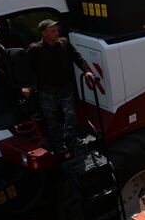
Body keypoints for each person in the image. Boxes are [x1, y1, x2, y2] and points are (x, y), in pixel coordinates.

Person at [22, 19, 95, 149]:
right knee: (52, 120)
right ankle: (58, 143)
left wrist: (87, 71)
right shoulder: (35, 49)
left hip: (65, 89)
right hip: (46, 92)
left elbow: (77, 58)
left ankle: (71, 140)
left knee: (71, 116)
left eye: (57, 30)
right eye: (53, 31)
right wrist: (27, 86)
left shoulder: (64, 43)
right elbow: (26, 69)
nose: (56, 33)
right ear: (44, 33)